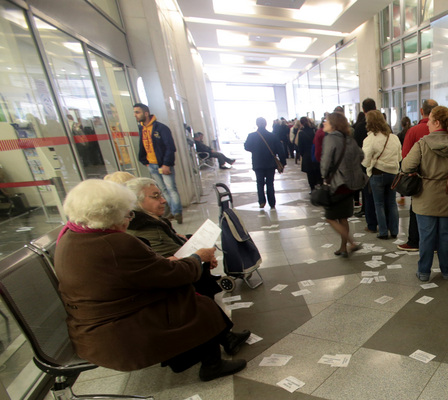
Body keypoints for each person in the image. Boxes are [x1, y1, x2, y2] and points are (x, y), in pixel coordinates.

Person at [55, 180, 246, 381]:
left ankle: (225, 338)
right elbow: (174, 274)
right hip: (114, 327)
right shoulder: (115, 243)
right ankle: (212, 364)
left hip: (93, 322)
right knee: (194, 300)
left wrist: (172, 263)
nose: (129, 220)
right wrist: (198, 258)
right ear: (111, 216)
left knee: (186, 293)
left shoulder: (71, 236)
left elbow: (139, 271)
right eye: (128, 214)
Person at [401, 105, 448, 282]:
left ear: (437, 122)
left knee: (426, 237)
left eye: (430, 121)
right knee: (445, 236)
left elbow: (405, 166)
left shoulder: (422, 144)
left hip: (425, 198)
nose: (427, 125)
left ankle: (424, 272)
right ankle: (447, 271)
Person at [321, 112, 367, 257]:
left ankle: (351, 243)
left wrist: (324, 176)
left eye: (326, 121)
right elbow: (361, 155)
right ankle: (343, 247)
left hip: (338, 184)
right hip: (351, 185)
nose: (324, 123)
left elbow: (326, 162)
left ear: (333, 124)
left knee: (330, 217)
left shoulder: (331, 139)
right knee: (343, 217)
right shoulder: (349, 139)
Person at [398, 99, 439, 253]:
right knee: (438, 212)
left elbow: (406, 158)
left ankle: (414, 241)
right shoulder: (447, 132)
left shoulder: (414, 131)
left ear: (422, 111)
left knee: (416, 209)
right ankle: (436, 244)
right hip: (441, 181)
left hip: (419, 179)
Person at [133, 103, 183, 223]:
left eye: (137, 112)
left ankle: (177, 213)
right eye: (134, 112)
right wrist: (145, 162)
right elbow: (143, 146)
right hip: (152, 165)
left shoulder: (161, 128)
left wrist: (166, 164)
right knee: (162, 190)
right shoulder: (142, 128)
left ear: (146, 113)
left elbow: (170, 147)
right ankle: (171, 210)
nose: (135, 115)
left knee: (171, 189)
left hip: (163, 165)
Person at [361, 110, 402, 239]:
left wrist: (372, 162)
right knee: (392, 203)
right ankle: (394, 230)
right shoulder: (394, 137)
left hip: (378, 174)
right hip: (393, 174)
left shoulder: (370, 139)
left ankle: (383, 232)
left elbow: (365, 160)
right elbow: (400, 157)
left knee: (379, 204)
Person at [244, 117, 284, 209]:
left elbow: (246, 147)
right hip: (270, 163)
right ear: (266, 124)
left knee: (260, 183)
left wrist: (255, 150)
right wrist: (282, 162)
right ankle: (272, 202)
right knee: (270, 183)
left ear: (257, 124)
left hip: (258, 163)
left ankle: (262, 201)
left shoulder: (251, 136)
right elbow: (279, 149)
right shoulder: (272, 135)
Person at [354, 98, 379, 232]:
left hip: (367, 166)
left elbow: (358, 148)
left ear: (363, 110)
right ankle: (387, 225)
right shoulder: (385, 126)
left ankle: (372, 223)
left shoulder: (360, 127)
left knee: (368, 195)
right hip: (384, 167)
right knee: (383, 200)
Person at [298, 117, 321, 189]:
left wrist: (303, 154)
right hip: (315, 153)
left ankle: (312, 188)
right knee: (317, 171)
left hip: (307, 155)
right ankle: (319, 185)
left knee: (310, 173)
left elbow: (300, 147)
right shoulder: (314, 131)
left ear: (301, 124)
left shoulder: (301, 133)